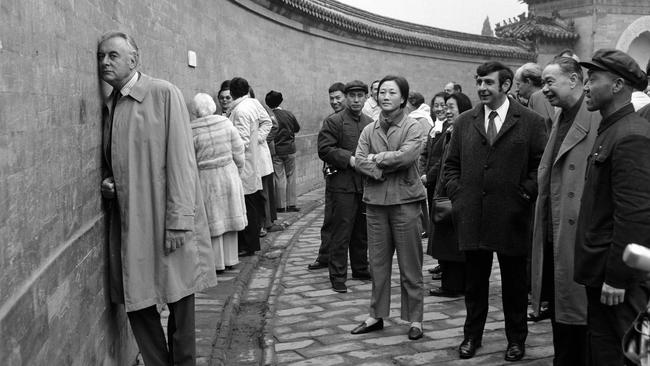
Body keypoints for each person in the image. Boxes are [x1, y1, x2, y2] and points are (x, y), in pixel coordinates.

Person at [98, 31, 217, 366]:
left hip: (166, 217)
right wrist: (111, 182)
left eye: (113, 56)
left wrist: (180, 220)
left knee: (180, 300)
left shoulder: (163, 94)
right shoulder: (112, 103)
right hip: (131, 220)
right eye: (101, 56)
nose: (105, 62)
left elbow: (182, 161)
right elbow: (120, 160)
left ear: (134, 59)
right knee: (137, 299)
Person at [444, 61, 546, 361]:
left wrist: (524, 193)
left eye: (488, 83)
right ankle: (471, 337)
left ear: (505, 86)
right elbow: (451, 166)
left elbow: (540, 165)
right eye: (478, 82)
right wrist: (458, 195)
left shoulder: (530, 121)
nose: (481, 88)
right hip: (473, 214)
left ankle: (516, 340)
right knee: (474, 284)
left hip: (512, 216)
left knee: (515, 285)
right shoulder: (464, 121)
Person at [574, 48, 650, 366]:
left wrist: (618, 276)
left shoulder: (631, 135)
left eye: (593, 79)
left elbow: (635, 215)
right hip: (603, 272)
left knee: (630, 356)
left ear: (617, 85)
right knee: (605, 351)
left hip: (622, 281)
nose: (586, 86)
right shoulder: (612, 129)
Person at [530, 56, 600, 365]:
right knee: (561, 313)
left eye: (549, 81)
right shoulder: (561, 117)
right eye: (543, 82)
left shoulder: (594, 119)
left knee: (580, 322)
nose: (544, 89)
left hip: (576, 236)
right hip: (553, 231)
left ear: (574, 80)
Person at [351, 75, 426, 341]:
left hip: (405, 203)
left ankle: (415, 318)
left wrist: (377, 158)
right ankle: (376, 315)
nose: (385, 97)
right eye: (382, 92)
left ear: (403, 98)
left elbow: (407, 157)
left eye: (392, 93)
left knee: (410, 266)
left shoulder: (412, 127)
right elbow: (358, 161)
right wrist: (380, 167)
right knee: (379, 264)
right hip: (375, 204)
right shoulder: (369, 130)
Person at [318, 80, 372, 293]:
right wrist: (348, 159)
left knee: (361, 231)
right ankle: (338, 275)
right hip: (341, 184)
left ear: (366, 97)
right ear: (346, 97)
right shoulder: (334, 121)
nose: (356, 100)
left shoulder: (369, 122)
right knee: (341, 231)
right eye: (352, 96)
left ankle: (360, 268)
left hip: (364, 184)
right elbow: (324, 149)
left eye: (360, 96)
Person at [189, 93, 247, 273]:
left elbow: (189, 158)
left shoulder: (191, 130)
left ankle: (216, 263)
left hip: (206, 178)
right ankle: (231, 259)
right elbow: (238, 150)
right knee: (230, 217)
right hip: (228, 173)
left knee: (213, 220)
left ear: (195, 110)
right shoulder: (226, 123)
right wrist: (238, 169)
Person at [427, 92, 472, 298]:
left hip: (454, 194)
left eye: (451, 107)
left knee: (452, 242)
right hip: (444, 191)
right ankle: (452, 281)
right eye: (446, 107)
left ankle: (453, 285)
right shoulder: (450, 129)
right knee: (447, 241)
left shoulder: (463, 131)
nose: (447, 110)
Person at [228, 76, 271, 256]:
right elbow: (267, 122)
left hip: (243, 164)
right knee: (252, 202)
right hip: (252, 161)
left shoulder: (240, 111)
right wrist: (258, 139)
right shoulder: (253, 103)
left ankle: (249, 244)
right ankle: (251, 243)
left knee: (247, 204)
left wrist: (233, 162)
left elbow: (241, 141)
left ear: (231, 93)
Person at [308, 82, 347, 271]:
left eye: (338, 97)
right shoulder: (331, 120)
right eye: (331, 98)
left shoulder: (360, 120)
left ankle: (359, 261)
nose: (334, 101)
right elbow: (324, 149)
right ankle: (325, 256)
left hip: (354, 177)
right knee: (330, 219)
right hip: (334, 176)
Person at [420, 91, 449, 278]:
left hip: (440, 182)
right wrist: (422, 172)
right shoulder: (434, 127)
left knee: (443, 223)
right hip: (430, 182)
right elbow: (425, 153)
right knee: (435, 222)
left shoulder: (450, 128)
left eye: (443, 106)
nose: (439, 109)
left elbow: (443, 159)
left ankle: (446, 264)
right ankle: (441, 261)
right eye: (436, 105)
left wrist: (428, 175)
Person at [265, 90, 301, 213]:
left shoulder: (269, 116)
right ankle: (292, 204)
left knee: (279, 177)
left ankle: (280, 206)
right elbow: (297, 128)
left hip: (276, 151)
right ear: (281, 101)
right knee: (291, 176)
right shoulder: (289, 114)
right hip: (290, 149)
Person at [407, 91, 433, 237]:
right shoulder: (425, 117)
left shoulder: (417, 118)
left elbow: (423, 140)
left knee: (418, 195)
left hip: (417, 161)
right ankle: (425, 226)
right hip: (420, 160)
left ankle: (424, 226)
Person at [515, 62, 555, 133]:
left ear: (528, 81)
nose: (516, 89)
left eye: (518, 84)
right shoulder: (526, 101)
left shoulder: (536, 99)